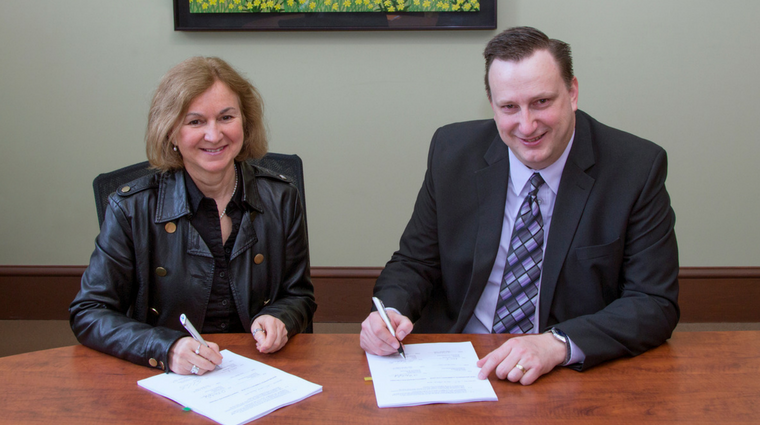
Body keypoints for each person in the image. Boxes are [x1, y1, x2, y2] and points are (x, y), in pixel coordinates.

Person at [360, 27, 679, 385]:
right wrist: (389, 311)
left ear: (572, 93)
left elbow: (653, 303)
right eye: (509, 107)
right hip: (461, 360)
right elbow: (416, 261)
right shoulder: (452, 151)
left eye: (541, 102)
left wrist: (556, 344)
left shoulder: (635, 167)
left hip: (565, 368)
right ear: (492, 105)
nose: (527, 126)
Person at [70, 57, 316, 375]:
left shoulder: (281, 197)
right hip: (169, 375)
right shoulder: (131, 208)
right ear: (170, 131)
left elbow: (298, 295)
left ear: (245, 123)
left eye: (226, 117)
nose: (213, 136)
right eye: (195, 122)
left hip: (258, 370)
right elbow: (89, 312)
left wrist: (280, 318)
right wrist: (166, 348)